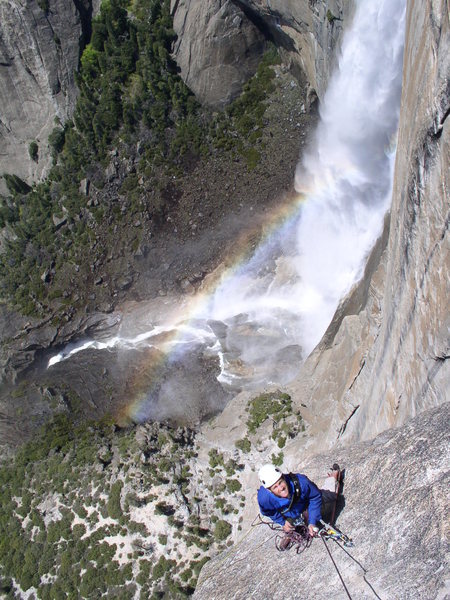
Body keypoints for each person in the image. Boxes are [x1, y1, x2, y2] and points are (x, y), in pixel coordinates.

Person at [257, 464, 340, 536]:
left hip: (308, 504)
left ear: (283, 477)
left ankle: (332, 479)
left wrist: (312, 522)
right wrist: (283, 522)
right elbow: (268, 512)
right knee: (295, 530)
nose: (281, 488)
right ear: (269, 490)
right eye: (275, 487)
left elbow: (315, 497)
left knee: (331, 497)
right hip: (293, 515)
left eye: (280, 482)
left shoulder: (301, 482)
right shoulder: (264, 498)